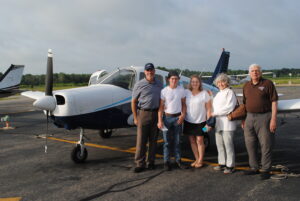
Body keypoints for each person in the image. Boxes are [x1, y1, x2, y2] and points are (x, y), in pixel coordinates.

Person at [243, 64, 278, 180]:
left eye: (257, 71)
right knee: (250, 144)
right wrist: (243, 119)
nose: (255, 73)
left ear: (261, 72)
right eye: (252, 71)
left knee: (266, 144)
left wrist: (273, 119)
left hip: (264, 117)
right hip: (249, 117)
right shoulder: (246, 86)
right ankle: (254, 167)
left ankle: (266, 169)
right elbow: (244, 103)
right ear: (249, 73)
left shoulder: (268, 84)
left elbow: (274, 102)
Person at [131, 63, 163, 173]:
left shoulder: (159, 84)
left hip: (155, 113)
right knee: (141, 140)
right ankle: (140, 163)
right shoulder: (139, 84)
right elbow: (134, 101)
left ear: (154, 71)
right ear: (145, 72)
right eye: (148, 70)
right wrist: (135, 118)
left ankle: (151, 162)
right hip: (143, 114)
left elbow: (161, 101)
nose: (150, 72)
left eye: (151, 70)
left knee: (153, 140)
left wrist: (160, 117)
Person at [157, 71, 186, 171]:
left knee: (177, 141)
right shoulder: (164, 91)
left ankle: (178, 161)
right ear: (169, 79)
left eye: (176, 79)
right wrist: (160, 120)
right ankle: (166, 162)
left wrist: (183, 115)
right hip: (167, 118)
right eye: (172, 78)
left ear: (178, 80)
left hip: (177, 118)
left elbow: (184, 104)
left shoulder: (181, 89)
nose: (174, 80)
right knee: (167, 142)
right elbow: (161, 107)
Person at [183, 75, 212, 168]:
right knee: (192, 140)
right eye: (193, 82)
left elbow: (208, 109)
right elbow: (181, 103)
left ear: (200, 83)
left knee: (200, 140)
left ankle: (200, 160)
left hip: (201, 122)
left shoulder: (204, 93)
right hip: (188, 121)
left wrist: (209, 123)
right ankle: (196, 158)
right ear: (190, 83)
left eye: (197, 82)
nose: (195, 83)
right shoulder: (186, 92)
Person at [212, 73, 237, 174]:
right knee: (219, 144)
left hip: (227, 124)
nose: (220, 84)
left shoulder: (230, 92)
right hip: (218, 123)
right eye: (218, 82)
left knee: (228, 144)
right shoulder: (218, 94)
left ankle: (230, 165)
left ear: (227, 82)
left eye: (223, 81)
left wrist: (215, 113)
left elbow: (229, 108)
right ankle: (222, 163)